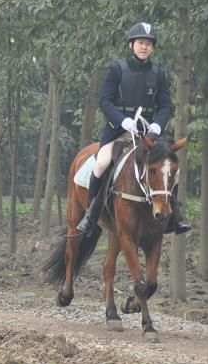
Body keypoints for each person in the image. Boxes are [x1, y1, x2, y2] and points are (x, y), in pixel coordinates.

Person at [76, 22, 191, 235]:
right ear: (132, 45)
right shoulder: (117, 69)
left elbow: (166, 105)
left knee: (169, 166)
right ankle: (91, 214)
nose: (144, 47)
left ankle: (175, 215)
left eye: (148, 44)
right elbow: (104, 101)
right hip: (118, 130)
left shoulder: (159, 74)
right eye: (140, 43)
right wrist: (122, 120)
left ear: (153, 48)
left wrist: (157, 124)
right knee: (101, 163)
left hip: (148, 132)